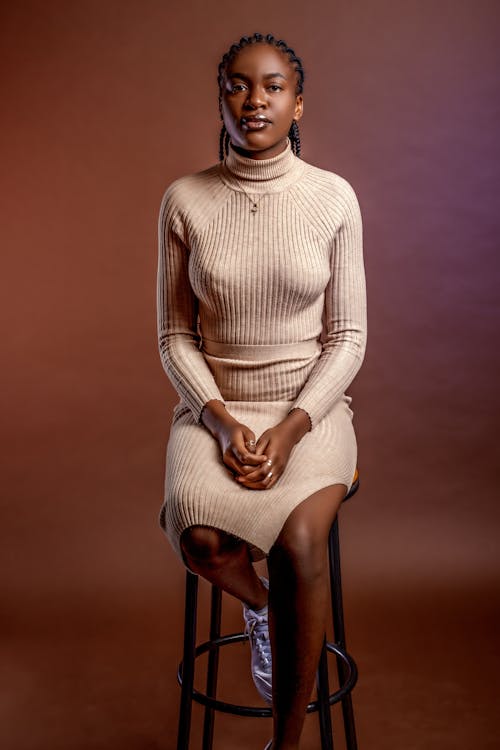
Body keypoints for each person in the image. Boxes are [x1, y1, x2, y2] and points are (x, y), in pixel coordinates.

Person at [156, 32, 367, 750]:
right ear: (221, 98)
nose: (255, 100)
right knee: (202, 535)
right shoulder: (185, 199)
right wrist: (217, 422)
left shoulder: (333, 196)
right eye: (239, 86)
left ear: (297, 102)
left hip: (309, 408)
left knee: (300, 541)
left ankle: (286, 743)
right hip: (214, 405)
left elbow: (348, 338)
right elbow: (174, 337)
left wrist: (291, 429)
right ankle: (268, 610)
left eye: (273, 86)